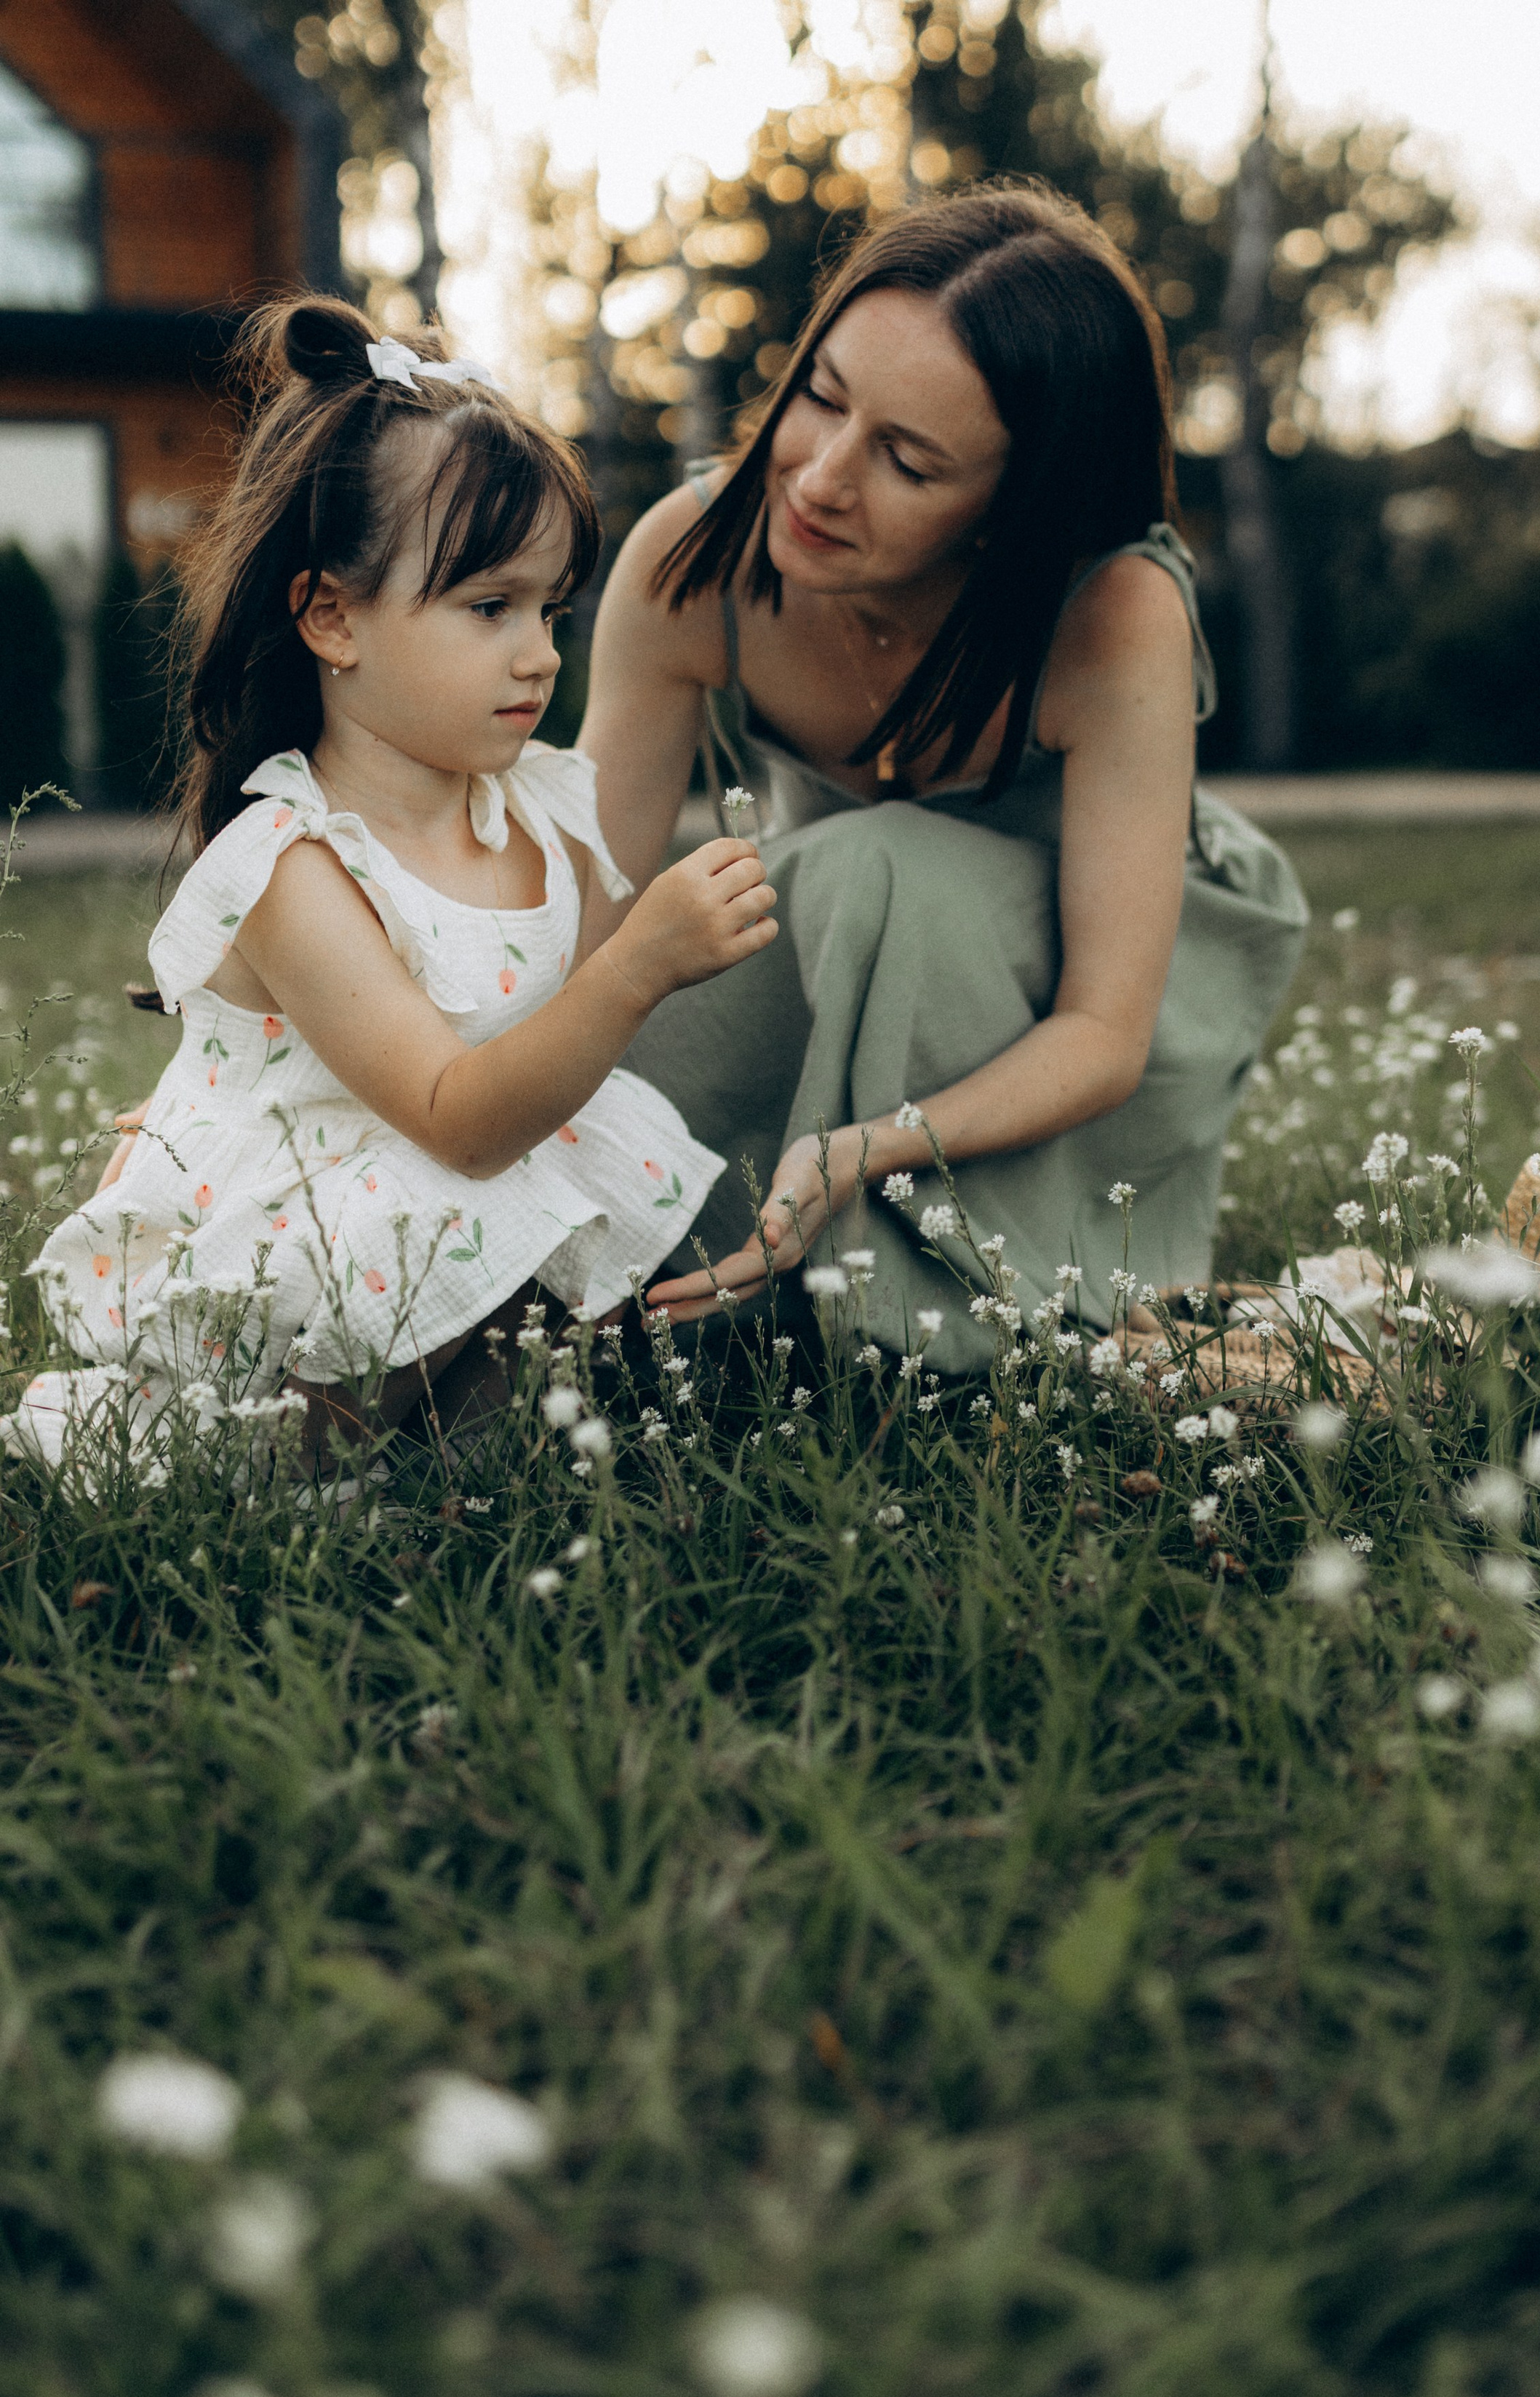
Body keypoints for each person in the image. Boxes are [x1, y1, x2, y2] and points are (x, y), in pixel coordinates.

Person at [6, 298, 776, 1473]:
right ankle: (252, 1469)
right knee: (474, 1202)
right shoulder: (294, 864)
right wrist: (640, 964)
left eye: (550, 609)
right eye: (488, 609)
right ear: (330, 617)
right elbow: (460, 1122)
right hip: (333, 1232)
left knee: (617, 1253)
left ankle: (457, 1464)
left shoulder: (531, 805)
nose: (541, 653)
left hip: (445, 1189)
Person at [578, 181, 1308, 1371]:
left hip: (1071, 1017)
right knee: (675, 993)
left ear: (1016, 511)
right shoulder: (695, 554)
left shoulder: (1112, 612)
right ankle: (727, 1295)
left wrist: (866, 1148)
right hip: (831, 953)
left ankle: (941, 1329)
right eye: (820, 397)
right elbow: (577, 925)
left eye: (908, 462)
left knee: (877, 868)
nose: (818, 477)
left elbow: (1103, 1033)